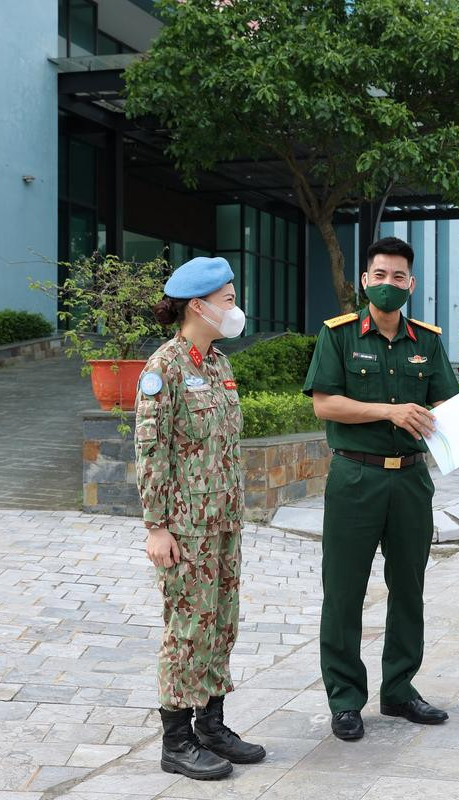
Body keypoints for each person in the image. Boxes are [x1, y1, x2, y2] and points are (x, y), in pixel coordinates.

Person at [303, 236, 459, 741]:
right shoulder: (339, 335)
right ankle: (345, 699)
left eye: (399, 277)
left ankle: (399, 690)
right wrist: (389, 411)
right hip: (355, 477)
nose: (389, 285)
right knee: (343, 592)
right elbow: (325, 404)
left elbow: (449, 413)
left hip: (411, 479)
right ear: (365, 280)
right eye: (380, 275)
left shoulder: (427, 342)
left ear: (411, 284)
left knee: (409, 588)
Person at [135, 256, 265, 780]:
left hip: (224, 521)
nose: (236, 309)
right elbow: (151, 451)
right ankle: (176, 739)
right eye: (229, 300)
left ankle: (211, 723)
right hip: (185, 525)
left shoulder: (217, 364)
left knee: (220, 625)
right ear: (199, 305)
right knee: (187, 629)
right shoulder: (163, 368)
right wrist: (157, 526)